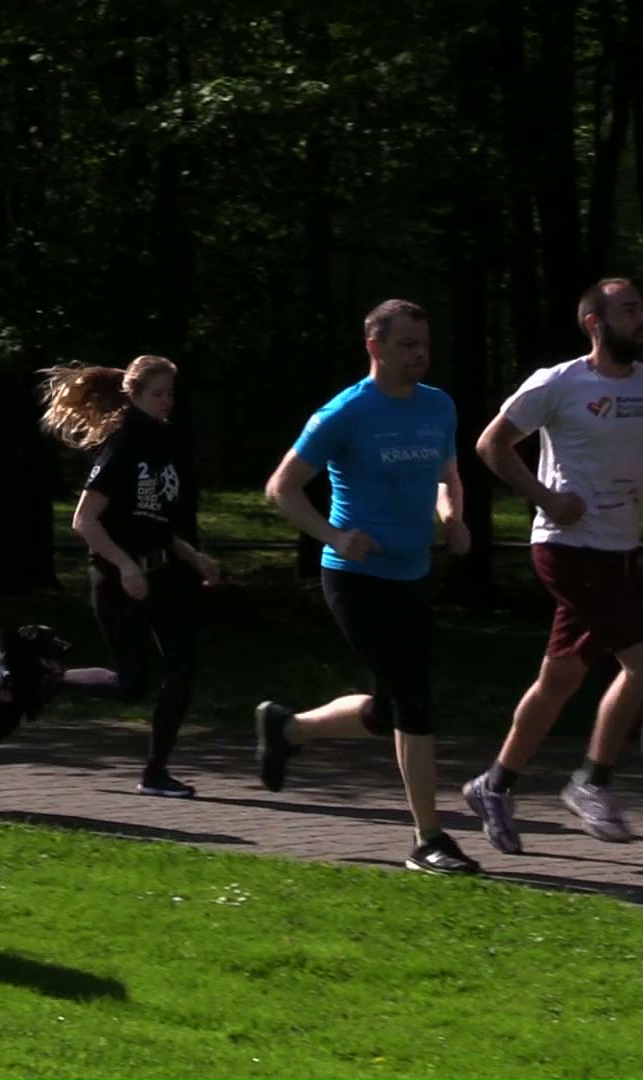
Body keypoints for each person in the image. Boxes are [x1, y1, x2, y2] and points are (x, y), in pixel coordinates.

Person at [258, 299, 479, 876]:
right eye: (406, 345)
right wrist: (334, 533)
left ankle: (287, 728)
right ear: (375, 347)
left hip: (412, 576)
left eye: (424, 344)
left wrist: (451, 517)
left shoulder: (439, 406)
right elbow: (281, 488)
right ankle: (428, 839)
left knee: (388, 711)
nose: (419, 355)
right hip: (355, 579)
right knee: (415, 698)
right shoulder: (346, 412)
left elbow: (446, 475)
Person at [464, 278, 643, 851]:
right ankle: (591, 781)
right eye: (630, 311)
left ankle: (494, 783)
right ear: (596, 323)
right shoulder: (559, 383)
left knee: (561, 676)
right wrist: (545, 498)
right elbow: (492, 445)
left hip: (619, 548)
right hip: (566, 547)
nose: (641, 319)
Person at [39, 356, 220, 798]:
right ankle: (49, 680)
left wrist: (195, 557)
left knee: (182, 669)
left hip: (165, 575)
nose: (166, 402)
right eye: (157, 394)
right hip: (117, 579)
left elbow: (157, 520)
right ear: (134, 396)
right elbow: (84, 521)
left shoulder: (166, 444)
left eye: (170, 394)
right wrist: (124, 565)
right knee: (132, 684)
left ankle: (156, 773)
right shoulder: (121, 447)